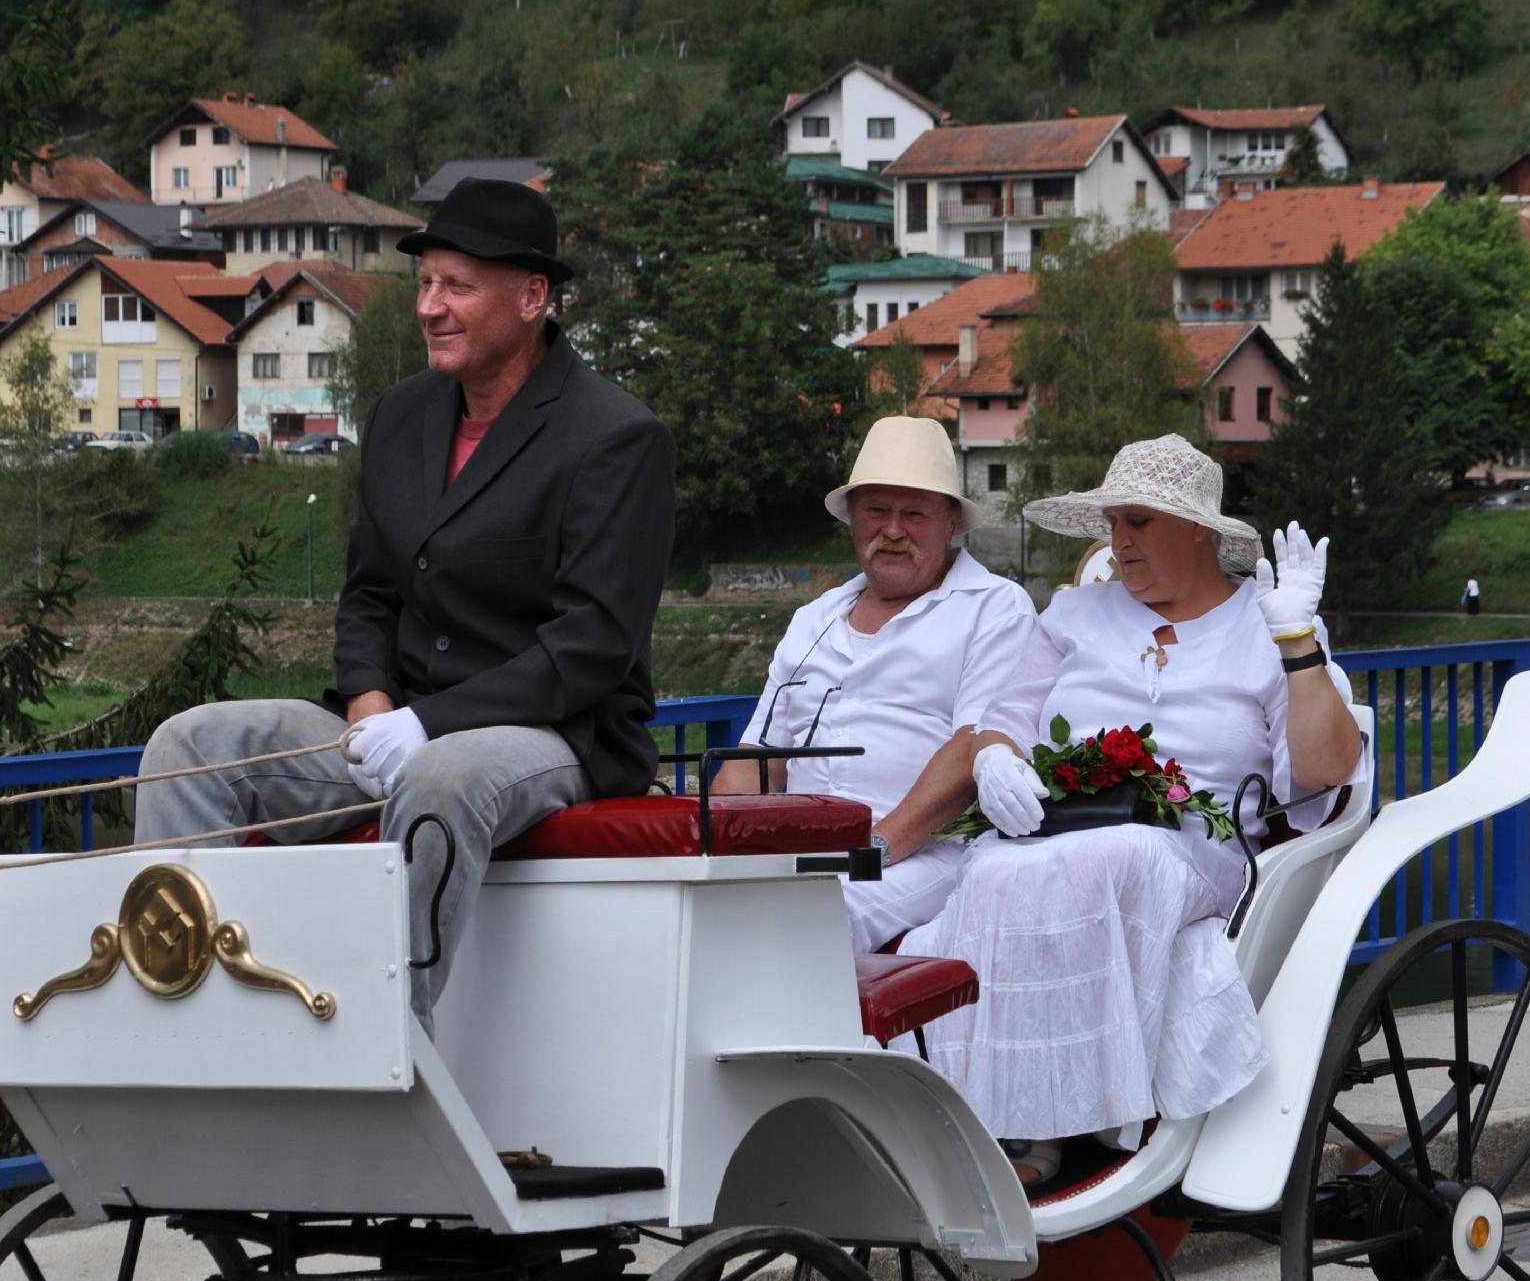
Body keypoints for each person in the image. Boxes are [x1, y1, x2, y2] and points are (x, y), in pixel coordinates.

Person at [133, 179, 675, 1024]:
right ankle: (184, 1026)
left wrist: (425, 727)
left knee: (441, 778)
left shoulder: (615, 436)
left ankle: (383, 1042)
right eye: (426, 285)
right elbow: (371, 593)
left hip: (558, 734)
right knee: (193, 747)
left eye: (457, 286)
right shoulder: (400, 415)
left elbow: (593, 647)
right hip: (399, 721)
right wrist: (371, 702)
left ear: (533, 297)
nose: (430, 307)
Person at [900, 435, 1364, 1187]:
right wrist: (994, 759)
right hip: (1062, 823)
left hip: (1192, 845)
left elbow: (1324, 771)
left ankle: (1052, 1126)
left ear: (1200, 532)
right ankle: (988, 1113)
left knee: (1116, 860)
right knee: (988, 870)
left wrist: (1297, 642)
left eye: (1140, 522)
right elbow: (1007, 713)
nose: (1120, 541)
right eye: (1114, 522)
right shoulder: (1077, 612)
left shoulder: (1264, 622)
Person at [713, 417, 1036, 952]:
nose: (892, 530)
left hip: (927, 851)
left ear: (951, 522)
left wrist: (871, 849)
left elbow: (971, 749)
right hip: (804, 847)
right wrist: (709, 839)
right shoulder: (813, 618)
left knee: (810, 916)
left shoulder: (994, 607)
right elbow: (758, 758)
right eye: (876, 511)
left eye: (914, 514)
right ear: (853, 520)